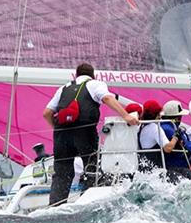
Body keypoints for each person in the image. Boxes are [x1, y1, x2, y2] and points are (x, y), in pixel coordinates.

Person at [43, 63, 138, 206]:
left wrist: (57, 129)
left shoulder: (63, 88)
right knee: (92, 168)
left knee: (62, 174)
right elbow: (107, 98)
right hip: (84, 133)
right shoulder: (95, 84)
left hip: (61, 135)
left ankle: (54, 206)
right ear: (94, 75)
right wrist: (126, 116)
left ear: (76, 75)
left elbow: (47, 113)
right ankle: (87, 204)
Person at [136, 99, 181, 170]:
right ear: (156, 114)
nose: (160, 116)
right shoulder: (155, 128)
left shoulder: (140, 126)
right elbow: (168, 148)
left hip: (144, 168)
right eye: (159, 114)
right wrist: (176, 136)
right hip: (155, 169)